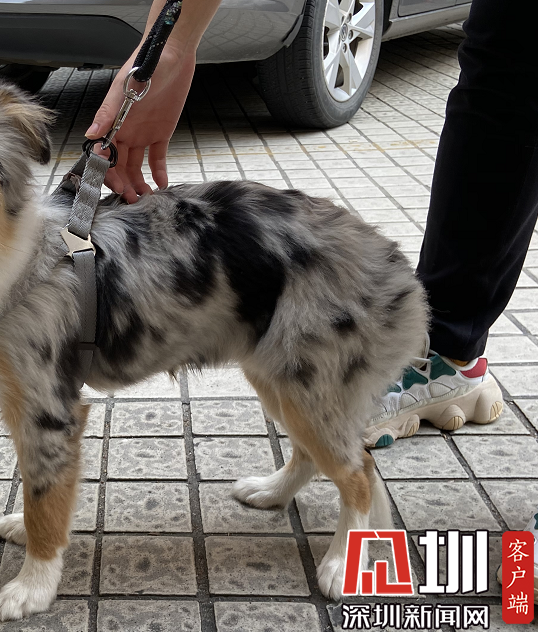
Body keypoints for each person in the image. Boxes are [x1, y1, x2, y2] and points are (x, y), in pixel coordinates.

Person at [87, 0, 536, 587]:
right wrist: (168, 49)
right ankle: (433, 366)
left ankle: (361, 514)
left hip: (343, 281)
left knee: (309, 396)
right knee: (508, 73)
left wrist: (170, 49)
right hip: (310, 270)